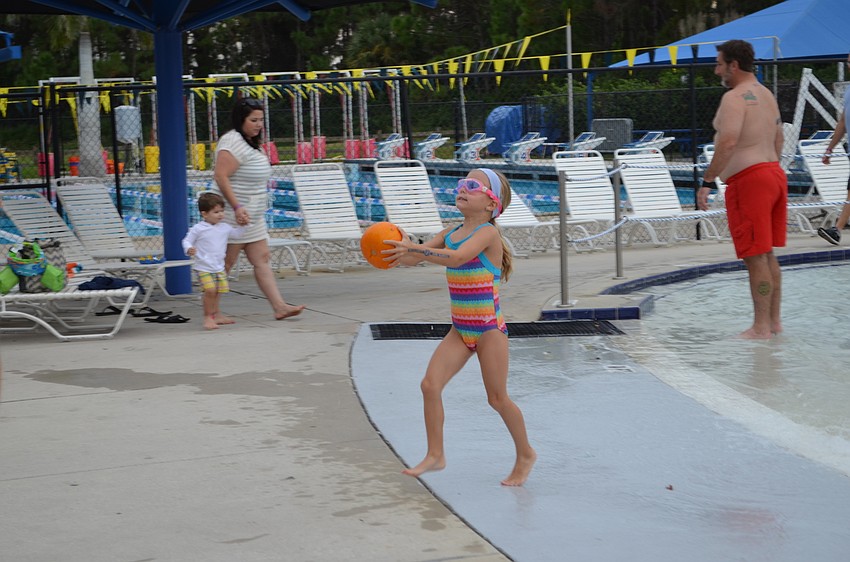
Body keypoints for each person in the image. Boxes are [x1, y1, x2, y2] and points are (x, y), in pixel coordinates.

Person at [383, 168, 536, 486]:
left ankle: (525, 454)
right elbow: (416, 259)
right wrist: (397, 248)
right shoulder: (450, 231)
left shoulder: (488, 233)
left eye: (472, 186)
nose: (462, 189)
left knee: (497, 399)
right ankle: (436, 454)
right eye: (461, 184)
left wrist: (416, 249)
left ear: (491, 204)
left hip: (488, 330)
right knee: (430, 386)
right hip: (460, 329)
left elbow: (455, 259)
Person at [697, 39, 787, 339]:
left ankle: (760, 327)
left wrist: (708, 181)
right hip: (773, 174)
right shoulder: (766, 94)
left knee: (755, 255)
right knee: (767, 253)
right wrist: (769, 167)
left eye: (719, 63)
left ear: (734, 65)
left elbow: (729, 141)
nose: (716, 70)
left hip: (750, 181)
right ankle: (773, 323)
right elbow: (779, 138)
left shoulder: (735, 98)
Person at [212, 97, 305, 320]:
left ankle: (280, 307)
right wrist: (236, 207)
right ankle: (212, 313)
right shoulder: (232, 142)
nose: (258, 124)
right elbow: (220, 176)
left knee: (262, 259)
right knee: (225, 263)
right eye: (253, 120)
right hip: (233, 215)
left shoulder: (250, 142)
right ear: (240, 119)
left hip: (252, 216)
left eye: (261, 120)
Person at [182, 192, 244, 330]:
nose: (220, 214)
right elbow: (186, 240)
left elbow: (237, 235)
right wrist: (189, 249)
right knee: (210, 290)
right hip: (203, 267)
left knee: (218, 291)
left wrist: (243, 225)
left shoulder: (224, 227)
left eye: (222, 211)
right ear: (204, 214)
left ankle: (217, 315)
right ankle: (207, 317)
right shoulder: (198, 229)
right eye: (216, 212)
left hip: (218, 267)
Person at [816, 52, 850, 246]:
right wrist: (829, 148)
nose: (848, 65)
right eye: (847, 62)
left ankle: (837, 229)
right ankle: (837, 230)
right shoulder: (848, 92)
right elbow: (843, 123)